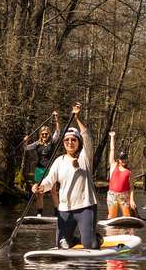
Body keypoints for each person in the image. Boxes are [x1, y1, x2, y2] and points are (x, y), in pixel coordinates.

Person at [33, 102, 99, 249]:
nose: (70, 142)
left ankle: (94, 239)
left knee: (89, 245)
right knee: (61, 244)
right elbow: (49, 181)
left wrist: (77, 118)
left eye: (73, 140)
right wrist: (40, 187)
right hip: (65, 209)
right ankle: (74, 240)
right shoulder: (59, 161)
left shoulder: (85, 156)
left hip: (86, 206)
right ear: (63, 143)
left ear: (78, 142)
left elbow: (87, 136)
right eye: (67, 140)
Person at [23, 111, 61, 216]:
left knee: (53, 191)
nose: (44, 135)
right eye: (43, 134)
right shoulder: (37, 143)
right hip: (39, 170)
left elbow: (58, 131)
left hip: (50, 170)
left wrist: (56, 118)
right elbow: (26, 148)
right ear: (41, 134)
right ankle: (39, 213)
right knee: (39, 193)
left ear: (49, 134)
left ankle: (57, 213)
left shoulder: (52, 142)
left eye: (46, 134)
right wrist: (25, 141)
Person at [107, 131, 136, 218]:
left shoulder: (129, 172)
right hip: (112, 195)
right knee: (112, 216)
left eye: (125, 159)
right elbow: (112, 150)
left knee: (127, 216)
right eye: (122, 159)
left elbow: (131, 187)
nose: (123, 160)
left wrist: (132, 200)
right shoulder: (113, 165)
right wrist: (112, 137)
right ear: (119, 159)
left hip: (124, 196)